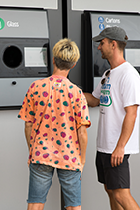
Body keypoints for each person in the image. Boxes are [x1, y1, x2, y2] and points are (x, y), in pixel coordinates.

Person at [18, 38, 91, 210]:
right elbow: (82, 133)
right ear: (73, 65)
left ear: (53, 60)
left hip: (40, 153)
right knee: (74, 206)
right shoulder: (77, 93)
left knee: (35, 204)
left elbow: (28, 125)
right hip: (70, 154)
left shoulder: (35, 87)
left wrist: (32, 150)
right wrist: (82, 160)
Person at [84, 26, 140, 210]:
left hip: (117, 147)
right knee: (110, 189)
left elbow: (132, 113)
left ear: (113, 44)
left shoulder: (129, 75)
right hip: (105, 146)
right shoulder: (109, 74)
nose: (99, 47)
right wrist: (69, 90)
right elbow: (94, 100)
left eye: (102, 43)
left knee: (121, 193)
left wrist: (120, 147)